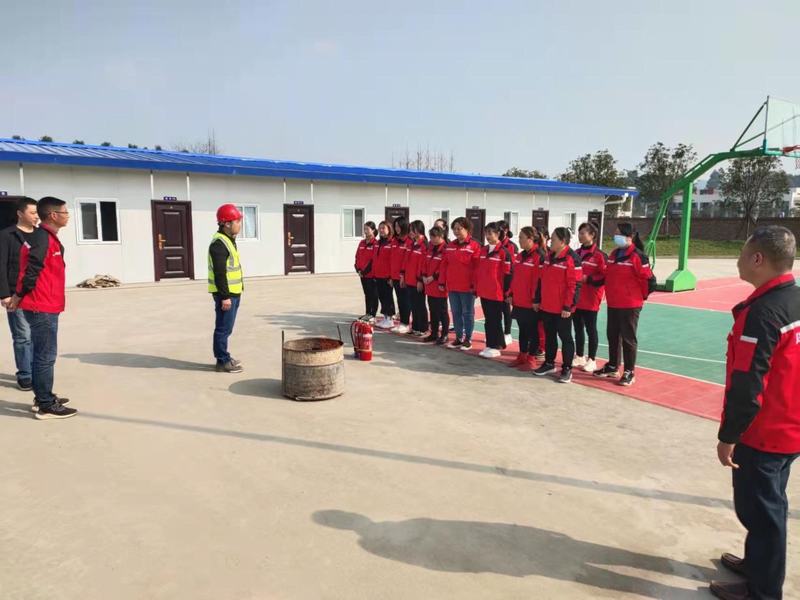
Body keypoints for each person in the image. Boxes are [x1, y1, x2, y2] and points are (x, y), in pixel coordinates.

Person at [710, 226, 800, 600]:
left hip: (764, 433)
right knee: (769, 503)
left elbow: (748, 386)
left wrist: (728, 436)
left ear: (758, 259)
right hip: (790, 426)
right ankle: (757, 564)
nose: (738, 259)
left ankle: (763, 592)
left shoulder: (762, 313)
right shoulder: (794, 300)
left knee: (762, 513)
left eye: (742, 252)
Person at [7, 196, 75, 419]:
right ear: (54, 215)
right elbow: (30, 270)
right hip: (41, 305)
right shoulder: (42, 238)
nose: (68, 216)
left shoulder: (46, 237)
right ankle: (46, 404)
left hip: (47, 303)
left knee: (42, 354)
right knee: (45, 355)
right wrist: (18, 295)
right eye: (65, 212)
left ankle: (43, 396)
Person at [593, 222, 655, 386]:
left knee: (628, 338)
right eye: (615, 233)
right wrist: (590, 280)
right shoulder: (614, 254)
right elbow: (607, 275)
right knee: (613, 335)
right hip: (614, 302)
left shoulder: (638, 256)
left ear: (630, 236)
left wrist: (640, 298)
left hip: (630, 304)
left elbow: (649, 280)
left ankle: (629, 371)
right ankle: (613, 366)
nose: (616, 236)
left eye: (619, 233)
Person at [533, 227, 582, 383]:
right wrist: (537, 299)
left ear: (562, 241)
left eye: (553, 239)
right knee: (550, 336)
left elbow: (575, 285)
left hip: (563, 308)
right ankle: (549, 363)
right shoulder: (548, 257)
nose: (550, 242)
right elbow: (541, 280)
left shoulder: (572, 259)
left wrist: (568, 307)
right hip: (547, 305)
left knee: (566, 338)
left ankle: (567, 368)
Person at [0, 197, 39, 390]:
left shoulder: (41, 235)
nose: (36, 216)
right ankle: (25, 375)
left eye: (37, 212)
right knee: (23, 336)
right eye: (32, 212)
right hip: (16, 294)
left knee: (38, 336)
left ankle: (37, 372)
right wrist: (4, 294)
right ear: (20, 213)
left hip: (39, 295)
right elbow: (1, 265)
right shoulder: (6, 235)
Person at [209, 203, 245, 373]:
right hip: (226, 294)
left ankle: (225, 357)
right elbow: (220, 273)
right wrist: (225, 297)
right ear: (227, 224)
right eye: (237, 221)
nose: (240, 224)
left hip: (234, 292)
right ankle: (222, 361)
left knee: (227, 328)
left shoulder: (229, 240)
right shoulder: (219, 244)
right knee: (223, 328)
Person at [440, 217, 481, 351]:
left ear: (467, 229)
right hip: (452, 286)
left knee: (467, 313)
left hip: (467, 288)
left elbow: (477, 268)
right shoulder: (450, 246)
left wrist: (475, 285)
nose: (456, 231)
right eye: (454, 229)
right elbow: (444, 265)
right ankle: (458, 338)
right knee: (456, 312)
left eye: (459, 229)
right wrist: (442, 281)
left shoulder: (474, 246)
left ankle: (468, 339)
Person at [508, 226, 546, 370]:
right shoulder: (520, 255)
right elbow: (515, 277)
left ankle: (531, 359)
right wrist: (511, 293)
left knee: (533, 331)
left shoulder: (539, 256)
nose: (519, 240)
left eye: (521, 238)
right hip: (519, 300)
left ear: (530, 239)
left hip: (532, 302)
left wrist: (537, 299)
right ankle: (522, 355)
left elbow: (541, 280)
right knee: (522, 329)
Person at [573, 222, 607, 373]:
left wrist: (589, 279)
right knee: (577, 328)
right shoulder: (576, 253)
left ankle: (592, 359)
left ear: (592, 235)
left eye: (583, 233)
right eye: (579, 233)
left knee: (591, 329)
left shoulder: (600, 256)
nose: (580, 236)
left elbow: (605, 277)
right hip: (577, 297)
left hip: (591, 298)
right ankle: (580, 355)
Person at [475, 222, 512, 358]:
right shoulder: (483, 250)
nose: (487, 236)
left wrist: (506, 292)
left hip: (497, 292)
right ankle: (491, 344)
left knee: (495, 320)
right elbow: (479, 271)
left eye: (490, 233)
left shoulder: (504, 252)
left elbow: (508, 274)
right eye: (486, 233)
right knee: (488, 320)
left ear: (498, 234)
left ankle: (496, 346)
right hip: (484, 291)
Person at [401, 220, 428, 337]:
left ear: (419, 230)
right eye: (410, 230)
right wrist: (403, 276)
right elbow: (405, 261)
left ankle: (423, 328)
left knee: (420, 305)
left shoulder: (424, 245)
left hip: (417, 281)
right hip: (409, 280)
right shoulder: (411, 244)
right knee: (413, 305)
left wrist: (420, 280)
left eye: (413, 230)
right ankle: (415, 327)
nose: (410, 232)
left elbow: (423, 265)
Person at [422, 225, 449, 344]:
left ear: (441, 236)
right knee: (432, 310)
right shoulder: (430, 248)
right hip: (429, 285)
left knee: (442, 311)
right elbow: (424, 262)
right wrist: (424, 275)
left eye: (434, 237)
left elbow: (444, 267)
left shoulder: (446, 249)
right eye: (431, 237)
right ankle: (434, 333)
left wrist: (433, 277)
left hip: (439, 284)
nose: (432, 239)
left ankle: (444, 334)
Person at [390, 217, 413, 334]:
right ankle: (402, 323)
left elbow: (407, 261)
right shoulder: (394, 241)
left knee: (405, 301)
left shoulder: (409, 242)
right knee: (399, 300)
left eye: (399, 226)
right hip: (394, 276)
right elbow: (391, 259)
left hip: (403, 277)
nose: (397, 228)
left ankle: (406, 324)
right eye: (395, 226)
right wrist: (390, 276)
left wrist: (403, 276)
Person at [497, 220, 518, 347]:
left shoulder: (512, 246)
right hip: (496, 282)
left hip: (507, 281)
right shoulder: (495, 245)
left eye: (500, 230)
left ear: (505, 230)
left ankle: (507, 333)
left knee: (506, 309)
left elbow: (512, 268)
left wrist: (509, 287)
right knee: (497, 310)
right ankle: (498, 333)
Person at [372, 221, 395, 329]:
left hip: (387, 276)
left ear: (389, 229)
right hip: (378, 275)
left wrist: (391, 276)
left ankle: (390, 319)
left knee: (388, 297)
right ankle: (385, 317)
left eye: (383, 228)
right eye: (380, 228)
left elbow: (393, 261)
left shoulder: (392, 242)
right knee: (381, 297)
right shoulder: (378, 243)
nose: (381, 230)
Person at [354, 221, 378, 322]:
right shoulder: (362, 243)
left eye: (367, 229)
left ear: (373, 230)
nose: (365, 231)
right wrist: (358, 269)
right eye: (364, 229)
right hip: (362, 274)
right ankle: (367, 313)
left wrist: (365, 271)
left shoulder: (375, 244)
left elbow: (373, 260)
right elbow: (357, 256)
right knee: (367, 294)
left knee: (373, 294)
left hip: (371, 274)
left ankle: (373, 314)